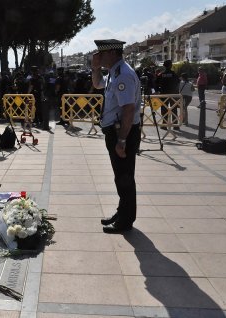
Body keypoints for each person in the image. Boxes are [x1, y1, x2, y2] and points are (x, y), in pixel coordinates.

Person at [91, 39, 141, 233]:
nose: (99, 57)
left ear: (112, 53)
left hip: (123, 133)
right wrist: (95, 68)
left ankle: (125, 221)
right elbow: (97, 85)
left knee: (125, 177)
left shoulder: (123, 75)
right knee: (120, 176)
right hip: (116, 131)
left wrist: (121, 140)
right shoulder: (114, 72)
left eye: (101, 54)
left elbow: (128, 109)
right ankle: (122, 212)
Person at [155, 60, 179, 130]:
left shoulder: (161, 74)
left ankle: (164, 124)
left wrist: (158, 91)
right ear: (170, 65)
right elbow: (178, 82)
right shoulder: (174, 74)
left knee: (164, 109)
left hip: (163, 94)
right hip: (173, 94)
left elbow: (156, 83)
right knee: (174, 109)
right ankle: (175, 125)